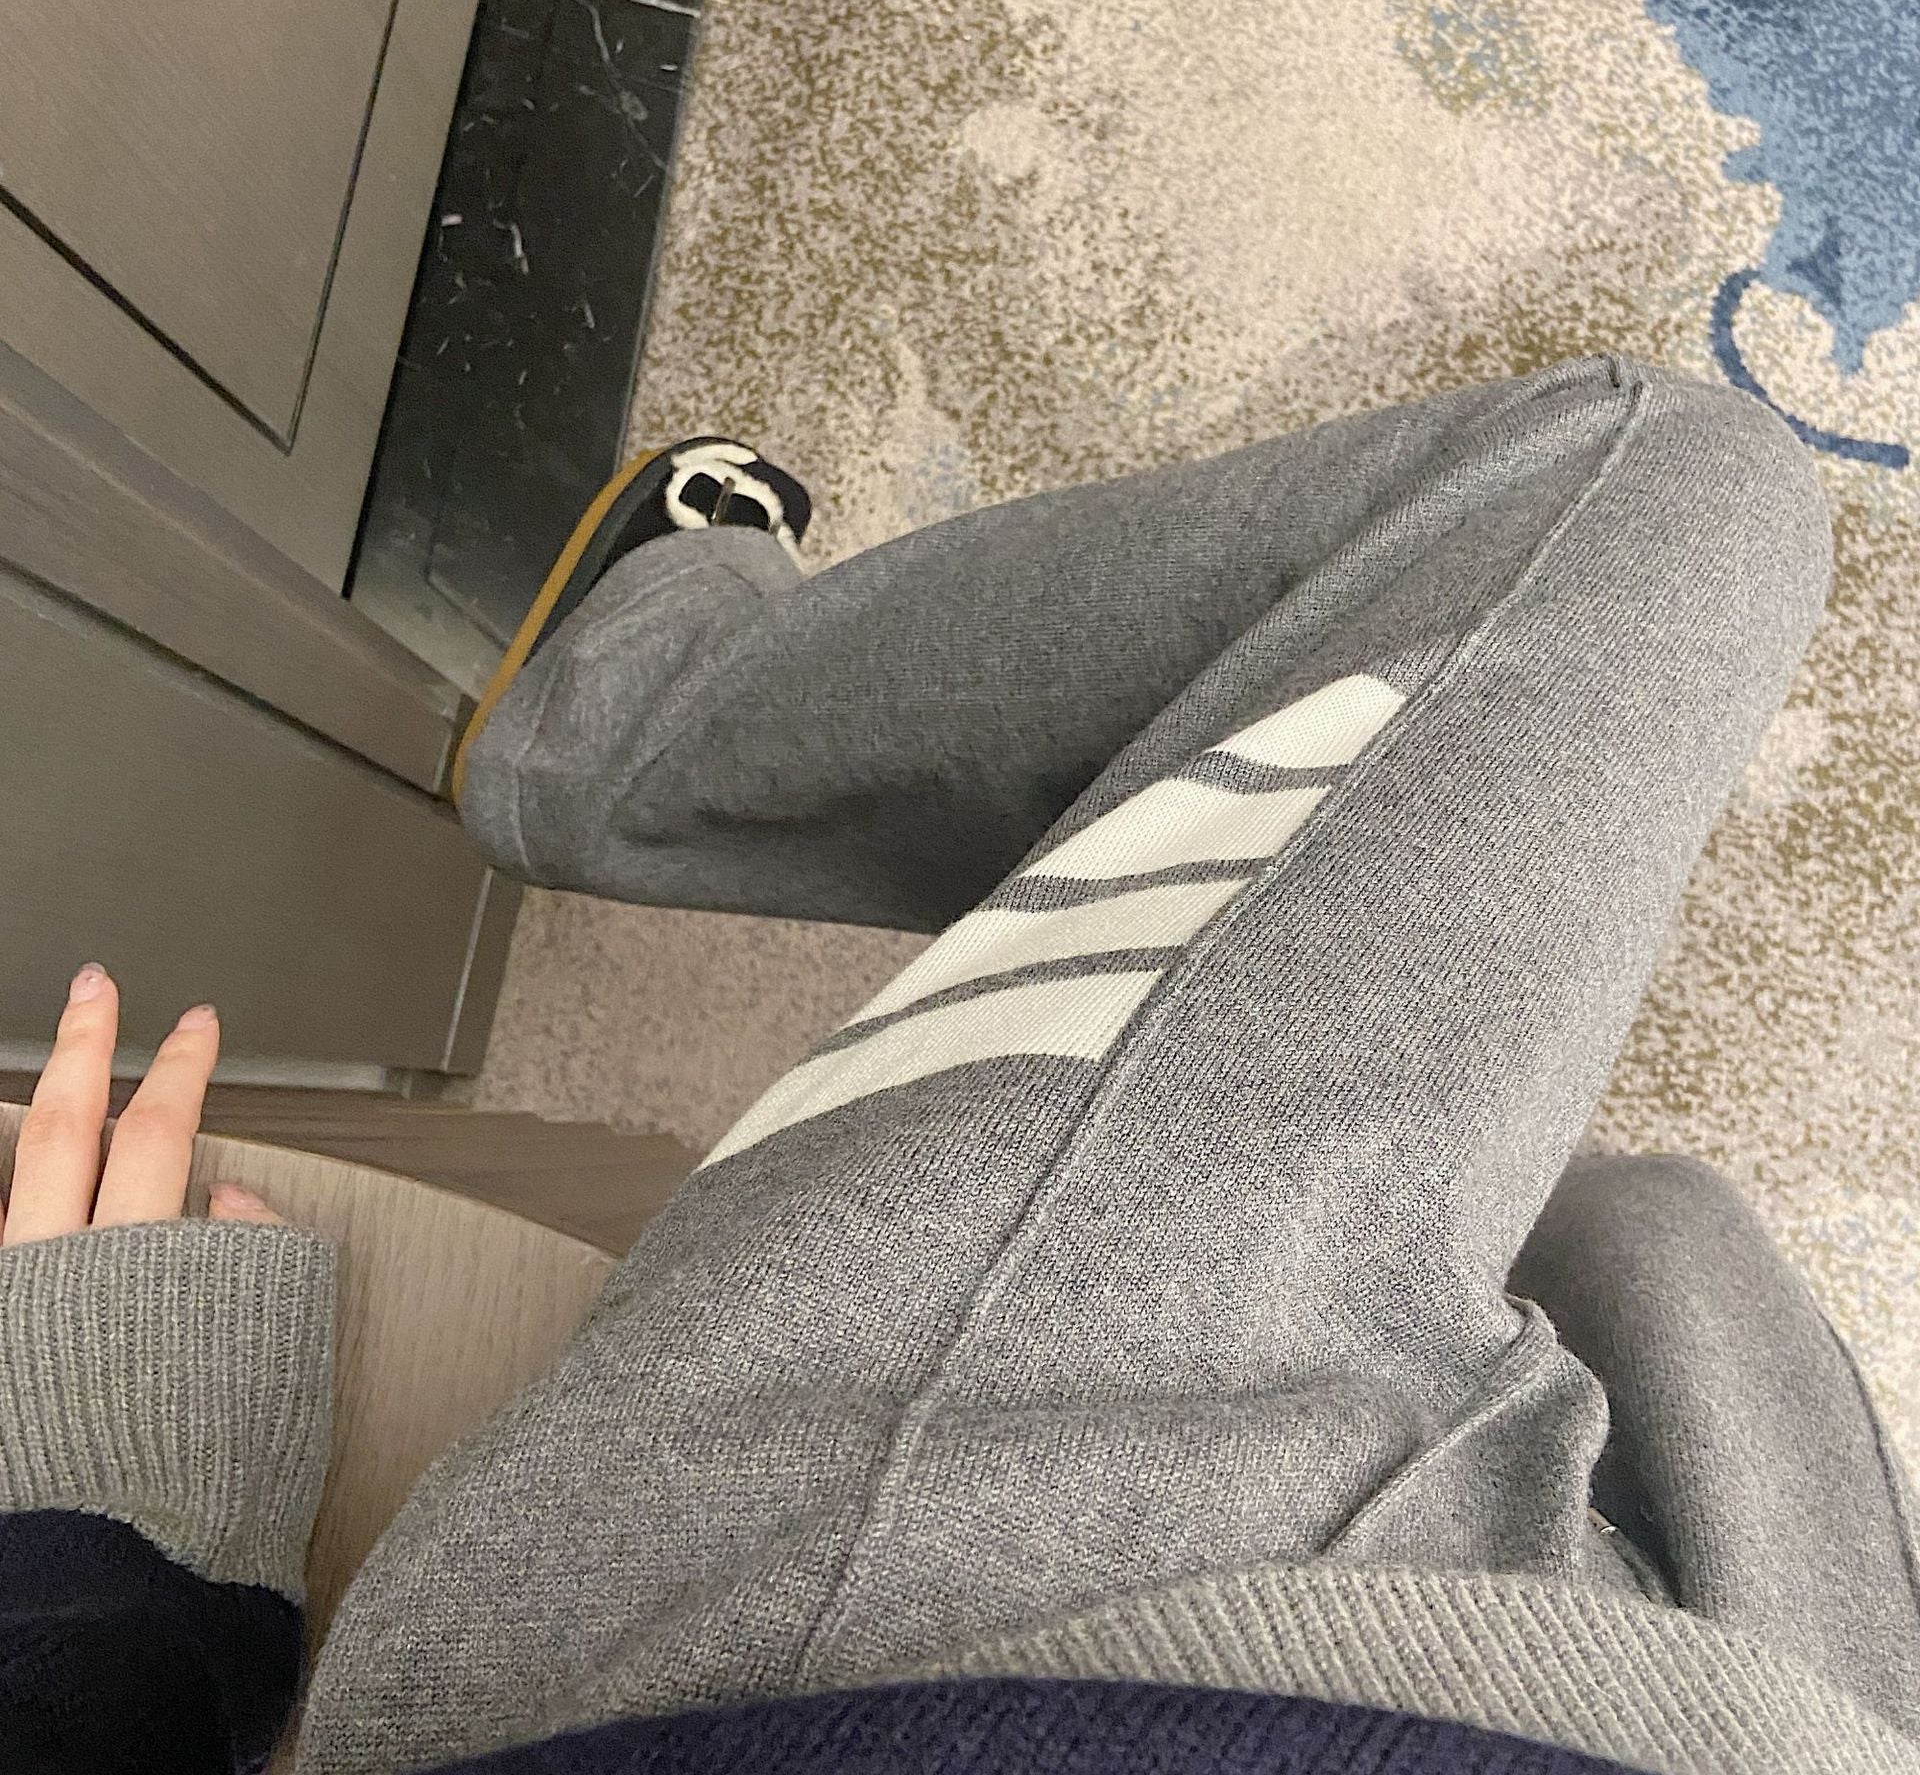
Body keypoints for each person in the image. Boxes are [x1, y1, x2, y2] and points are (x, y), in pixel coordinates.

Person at [2, 354, 1915, 1775]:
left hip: (1006, 1639)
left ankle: (617, 732)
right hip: (1742, 1702)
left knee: (1651, 490)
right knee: (1654, 1237)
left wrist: (102, 1589)